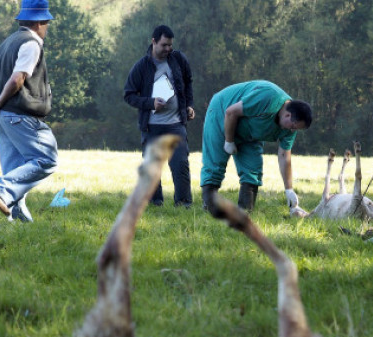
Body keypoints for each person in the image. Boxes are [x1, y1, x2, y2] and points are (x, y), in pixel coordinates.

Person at [0, 0, 58, 223]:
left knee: (15, 170)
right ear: (39, 22)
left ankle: (20, 222)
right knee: (46, 159)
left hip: (3, 118)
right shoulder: (32, 44)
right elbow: (17, 79)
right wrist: (0, 100)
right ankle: (0, 188)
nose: (47, 28)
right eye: (47, 23)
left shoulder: (5, 45)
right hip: (20, 116)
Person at [200, 80, 312, 212]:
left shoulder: (289, 128)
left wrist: (289, 189)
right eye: (293, 126)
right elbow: (231, 112)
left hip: (250, 132)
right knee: (215, 164)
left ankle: (245, 211)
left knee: (253, 170)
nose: (292, 131)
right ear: (288, 115)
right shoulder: (268, 97)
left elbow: (284, 155)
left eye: (296, 129)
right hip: (222, 112)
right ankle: (209, 207)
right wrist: (229, 141)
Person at [124, 25, 194, 207]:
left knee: (180, 165)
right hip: (152, 126)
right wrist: (150, 103)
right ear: (153, 42)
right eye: (164, 45)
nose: (168, 49)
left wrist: (189, 105)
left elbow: (188, 83)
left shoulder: (178, 59)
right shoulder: (141, 66)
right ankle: (156, 203)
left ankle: (184, 204)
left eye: (170, 45)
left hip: (176, 123)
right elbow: (129, 95)